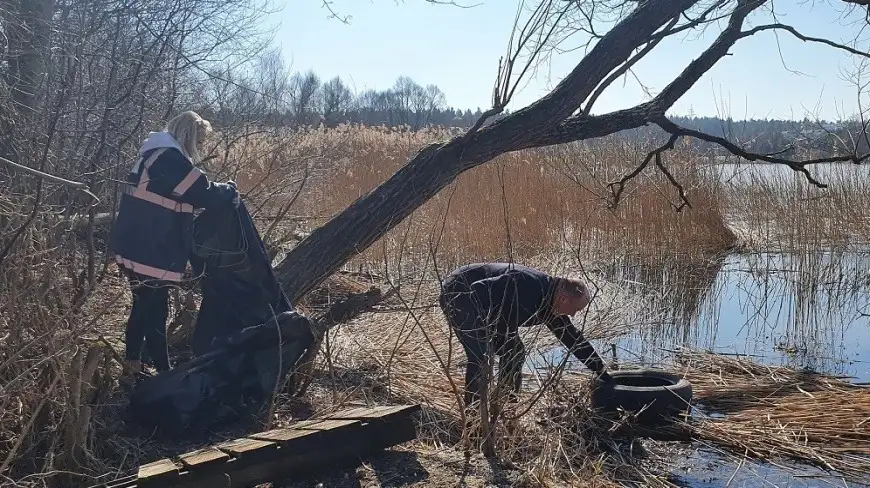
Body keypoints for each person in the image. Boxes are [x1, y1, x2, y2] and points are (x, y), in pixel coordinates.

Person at [111, 111, 240, 377]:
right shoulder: (168, 158)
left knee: (142, 305)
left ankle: (132, 363)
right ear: (189, 136)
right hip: (152, 248)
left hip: (138, 244)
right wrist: (229, 190)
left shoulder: (152, 155)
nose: (201, 146)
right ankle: (164, 372)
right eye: (200, 140)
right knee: (156, 310)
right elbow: (202, 192)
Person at [439, 262, 612, 410]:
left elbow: (573, 339)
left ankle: (506, 407)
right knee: (481, 357)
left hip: (484, 305)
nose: (574, 315)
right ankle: (474, 417)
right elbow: (478, 290)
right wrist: (491, 332)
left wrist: (602, 373)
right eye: (576, 309)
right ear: (565, 298)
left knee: (514, 353)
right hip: (459, 292)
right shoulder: (526, 285)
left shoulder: (551, 302)